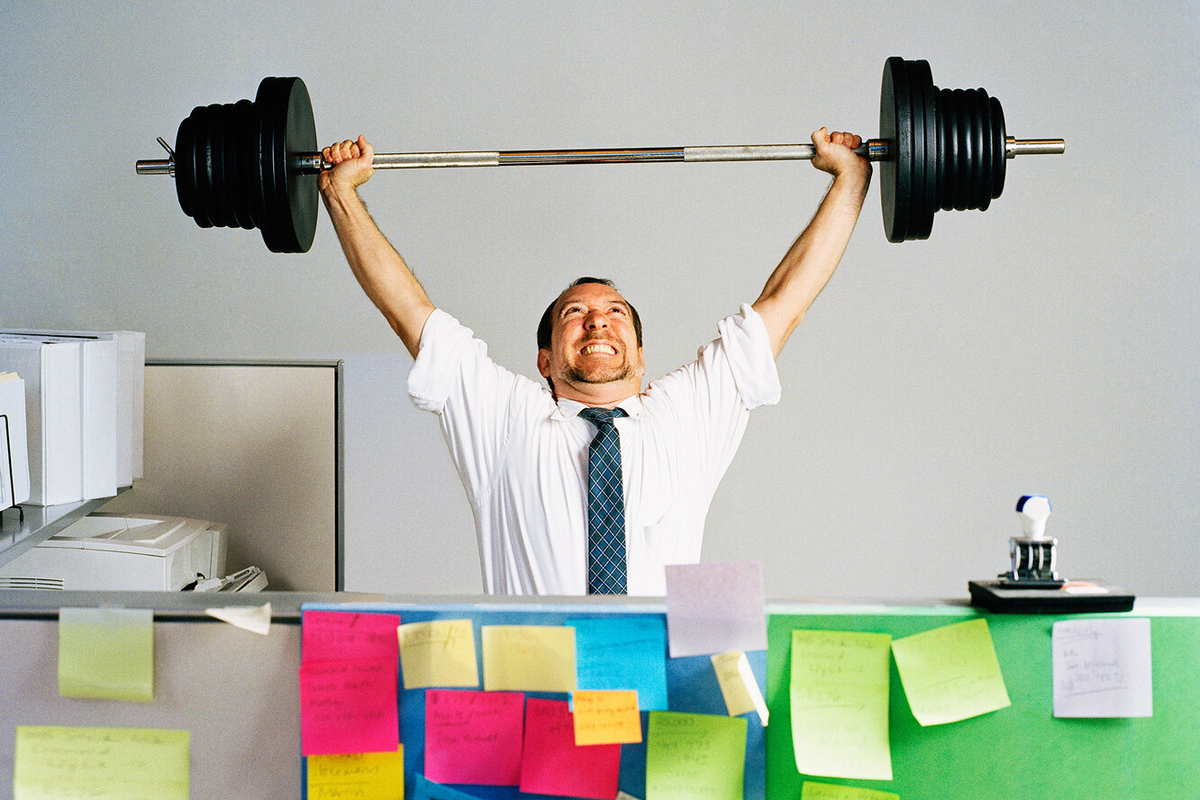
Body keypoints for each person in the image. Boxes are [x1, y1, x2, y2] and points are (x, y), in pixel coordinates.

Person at [319, 128, 871, 595]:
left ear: (641, 355)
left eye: (615, 312)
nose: (597, 322)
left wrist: (851, 179)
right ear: (544, 359)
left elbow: (785, 303)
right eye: (574, 312)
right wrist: (340, 194)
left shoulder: (687, 415)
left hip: (661, 685)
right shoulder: (503, 418)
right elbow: (407, 312)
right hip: (535, 685)